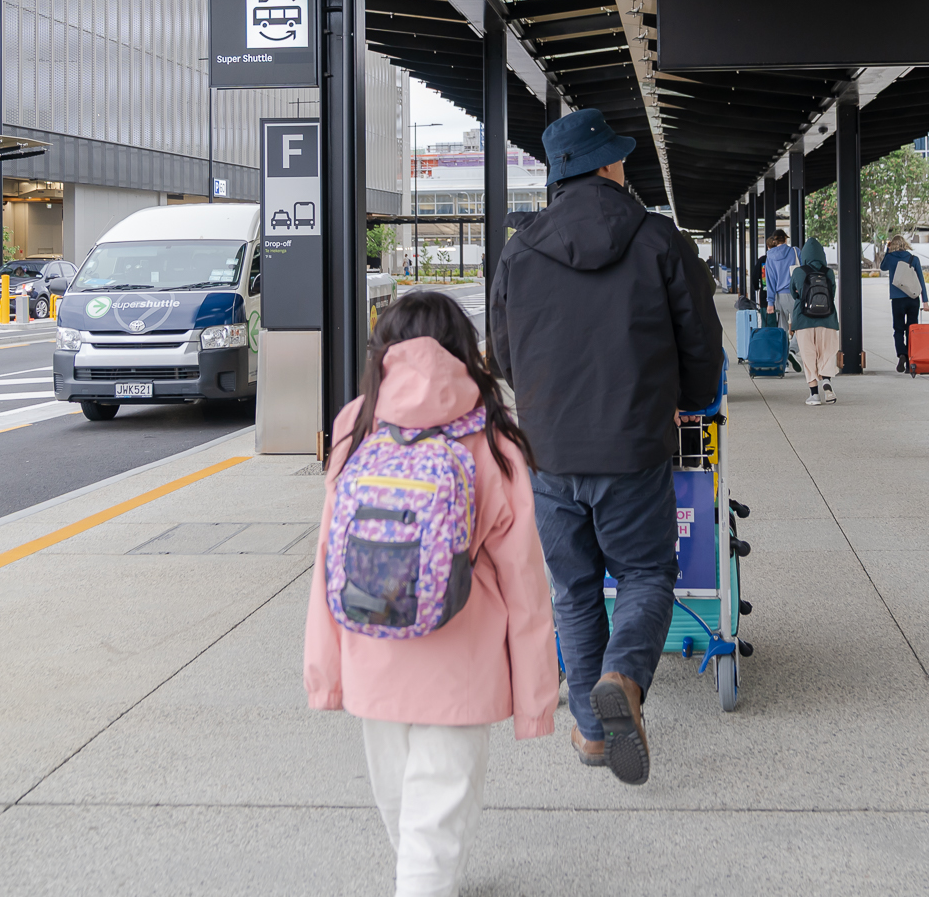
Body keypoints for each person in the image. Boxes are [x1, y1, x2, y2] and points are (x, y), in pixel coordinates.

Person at [488, 108, 723, 786]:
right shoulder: (658, 239)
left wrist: (540, 399)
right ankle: (623, 676)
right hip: (632, 445)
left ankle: (593, 732)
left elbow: (503, 348)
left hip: (549, 450)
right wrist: (694, 395)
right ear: (610, 166)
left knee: (575, 584)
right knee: (647, 572)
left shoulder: (520, 246)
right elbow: (699, 340)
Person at [304, 292, 559, 897]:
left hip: (372, 652)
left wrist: (326, 670)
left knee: (406, 817)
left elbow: (327, 559)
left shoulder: (356, 424)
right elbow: (525, 582)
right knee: (434, 821)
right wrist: (535, 698)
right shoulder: (496, 436)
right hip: (462, 663)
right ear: (464, 353)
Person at [789, 237, 838, 405]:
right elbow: (832, 293)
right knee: (827, 353)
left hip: (804, 319)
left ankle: (814, 395)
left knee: (808, 355)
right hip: (828, 319)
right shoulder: (829, 272)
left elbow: (794, 294)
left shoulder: (798, 271)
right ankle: (826, 381)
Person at [879, 234, 929, 374]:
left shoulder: (890, 258)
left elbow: (882, 267)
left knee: (898, 329)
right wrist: (925, 301)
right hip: (913, 299)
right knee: (912, 331)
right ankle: (910, 363)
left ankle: (902, 354)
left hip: (897, 299)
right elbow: (921, 280)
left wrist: (887, 251)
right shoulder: (913, 259)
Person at [763, 229, 798, 333]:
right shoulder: (795, 251)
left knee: (782, 327)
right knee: (800, 325)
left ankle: (784, 348)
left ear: (775, 241)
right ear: (785, 239)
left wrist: (770, 302)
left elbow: (770, 280)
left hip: (779, 297)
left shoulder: (770, 256)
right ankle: (793, 348)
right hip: (795, 294)